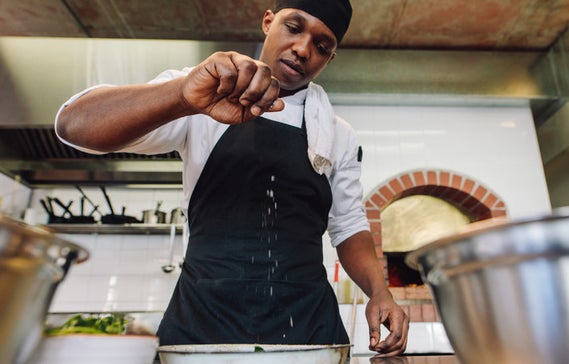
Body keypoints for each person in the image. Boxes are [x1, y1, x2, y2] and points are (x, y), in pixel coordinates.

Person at [55, 0, 408, 356]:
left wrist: (380, 291)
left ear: (329, 59)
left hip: (307, 326)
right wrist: (182, 96)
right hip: (203, 320)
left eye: (321, 46)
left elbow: (348, 225)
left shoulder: (337, 133)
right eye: (294, 27)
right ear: (268, 22)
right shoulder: (202, 93)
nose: (303, 50)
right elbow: (74, 125)